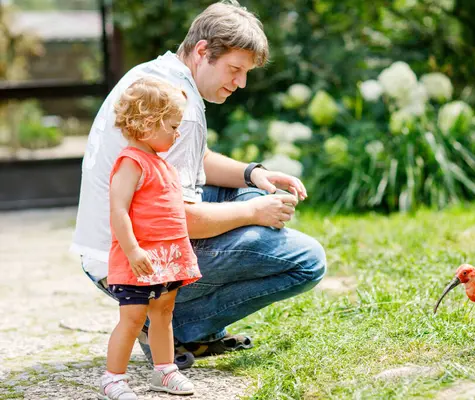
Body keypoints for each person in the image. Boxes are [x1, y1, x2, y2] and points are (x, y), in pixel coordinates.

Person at [71, 0, 327, 370]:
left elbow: (196, 158)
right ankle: (170, 323)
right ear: (203, 51)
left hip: (104, 252)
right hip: (126, 263)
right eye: (235, 69)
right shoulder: (186, 108)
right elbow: (182, 219)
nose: (241, 83)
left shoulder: (157, 75)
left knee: (255, 194)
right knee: (307, 260)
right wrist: (254, 211)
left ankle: (169, 318)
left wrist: (254, 173)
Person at [100, 77, 201, 399]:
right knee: (132, 318)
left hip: (166, 256)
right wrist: (132, 251)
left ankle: (164, 370)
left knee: (164, 312)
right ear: (146, 124)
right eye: (172, 126)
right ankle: (113, 378)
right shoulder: (131, 162)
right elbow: (118, 211)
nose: (177, 133)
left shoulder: (162, 164)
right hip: (139, 258)